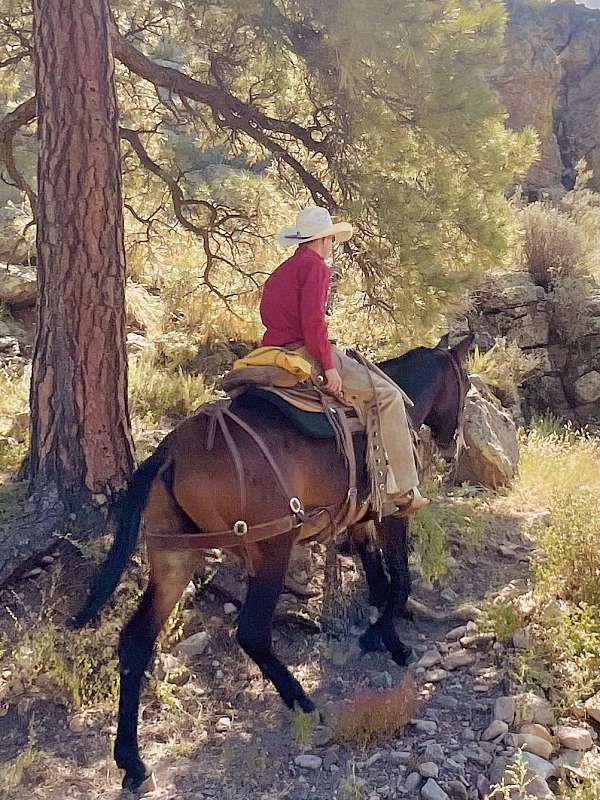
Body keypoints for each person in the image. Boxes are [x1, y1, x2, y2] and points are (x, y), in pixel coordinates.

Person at [259, 206, 428, 517]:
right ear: (323, 240)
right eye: (331, 241)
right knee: (388, 396)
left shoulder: (283, 270)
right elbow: (313, 324)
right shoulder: (316, 268)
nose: (332, 246)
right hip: (305, 353)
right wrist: (329, 366)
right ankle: (403, 487)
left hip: (273, 352)